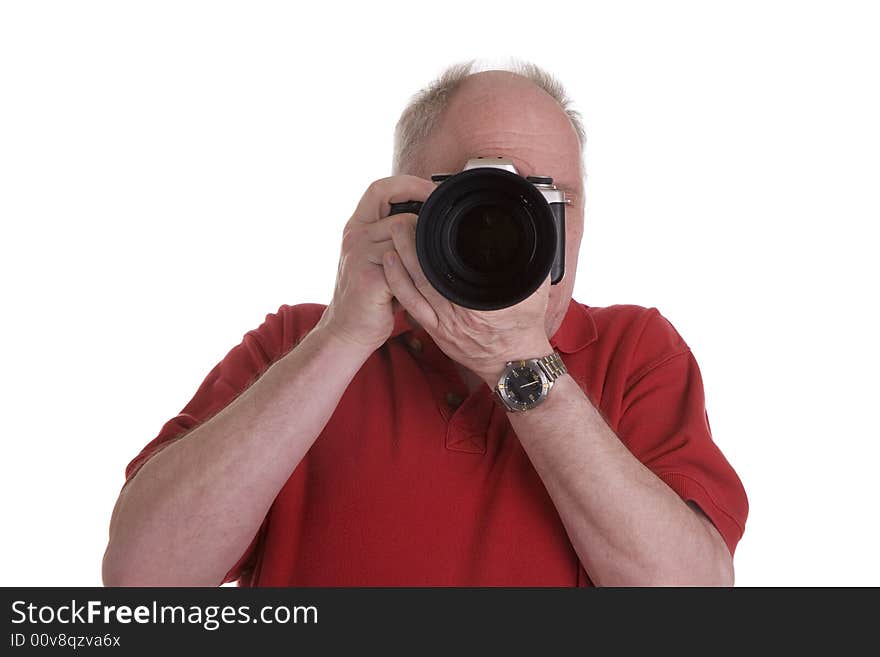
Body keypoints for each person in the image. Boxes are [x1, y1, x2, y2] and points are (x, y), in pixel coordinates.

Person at [102, 62, 748, 587]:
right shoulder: (297, 344)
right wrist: (342, 337)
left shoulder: (635, 351)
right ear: (405, 202)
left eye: (548, 199)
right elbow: (143, 580)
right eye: (480, 199)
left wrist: (520, 363)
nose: (511, 226)